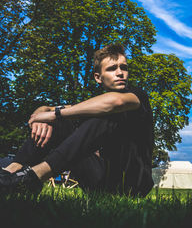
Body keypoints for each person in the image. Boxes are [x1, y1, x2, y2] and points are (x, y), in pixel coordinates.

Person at [0, 43, 154, 196]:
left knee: (101, 115)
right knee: (62, 121)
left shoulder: (137, 96)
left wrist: (55, 114)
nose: (120, 73)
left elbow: (115, 102)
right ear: (98, 77)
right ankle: (10, 172)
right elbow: (45, 109)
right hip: (101, 179)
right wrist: (42, 117)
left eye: (124, 67)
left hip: (134, 183)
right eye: (112, 68)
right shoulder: (93, 105)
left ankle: (32, 178)